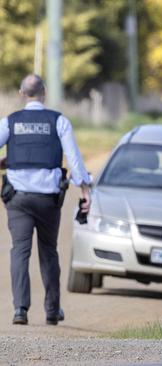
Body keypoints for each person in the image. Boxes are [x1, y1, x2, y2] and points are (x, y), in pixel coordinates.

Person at [0, 74, 92, 326]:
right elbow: (74, 160)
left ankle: (20, 309)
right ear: (45, 92)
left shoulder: (10, 122)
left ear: (21, 93)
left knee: (20, 251)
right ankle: (52, 310)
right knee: (49, 252)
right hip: (48, 200)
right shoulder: (58, 121)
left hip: (17, 198)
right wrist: (85, 190)